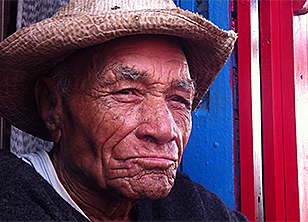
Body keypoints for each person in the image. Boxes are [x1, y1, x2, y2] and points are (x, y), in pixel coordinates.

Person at [0, 0, 248, 221]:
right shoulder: (10, 196)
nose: (164, 130)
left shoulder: (190, 206)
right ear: (51, 105)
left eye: (178, 99)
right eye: (126, 92)